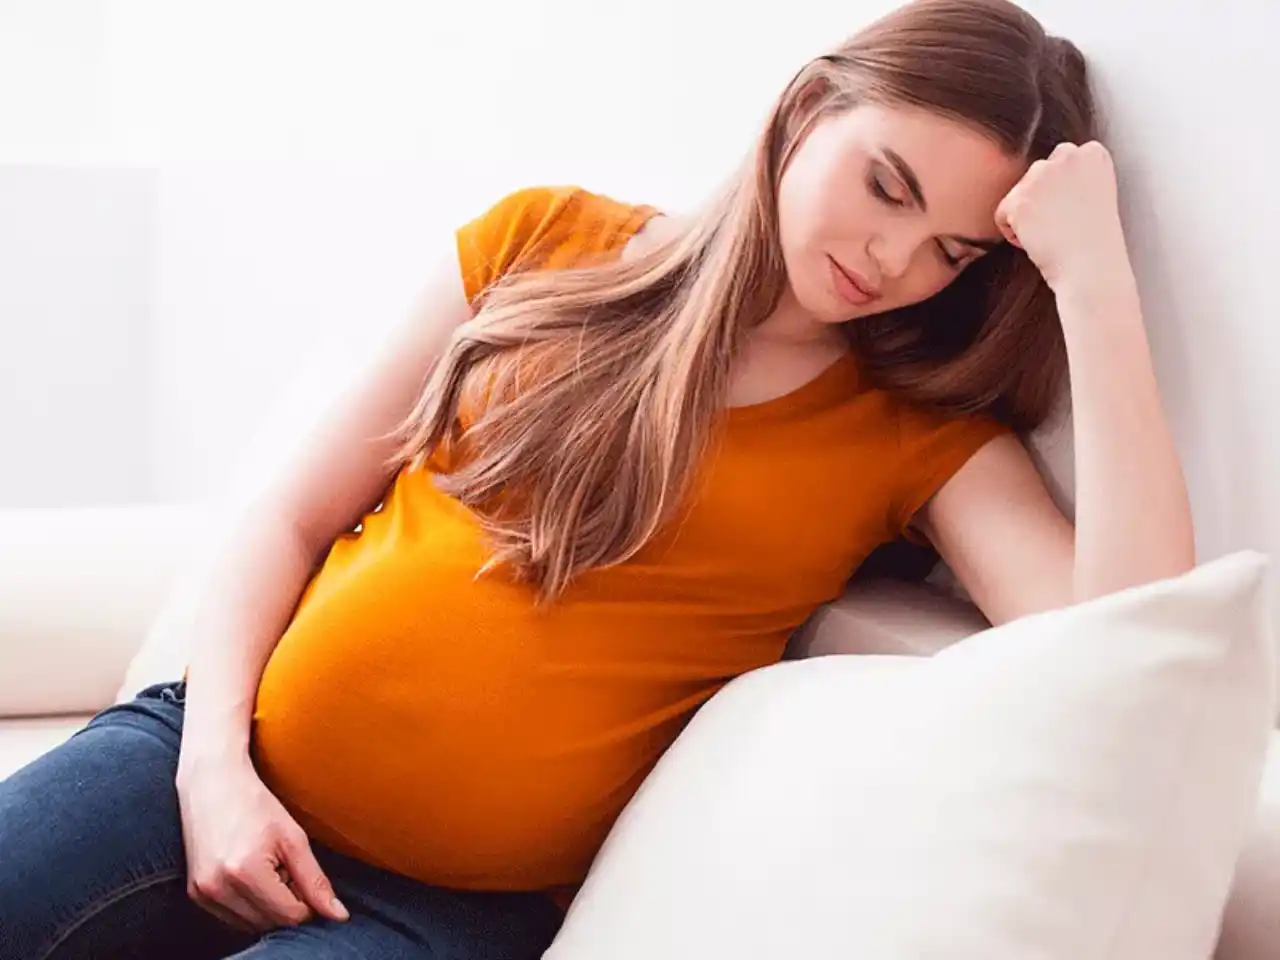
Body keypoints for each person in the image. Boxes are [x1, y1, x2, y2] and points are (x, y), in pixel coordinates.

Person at [0, 0, 1195, 957]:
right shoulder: (542, 239)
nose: (891, 260)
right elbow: (289, 514)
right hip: (202, 759)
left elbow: (1131, 638)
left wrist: (1091, 279)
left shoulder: (916, 439)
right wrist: (212, 768)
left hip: (441, 912)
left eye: (951, 250)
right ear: (805, 108)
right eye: (885, 185)